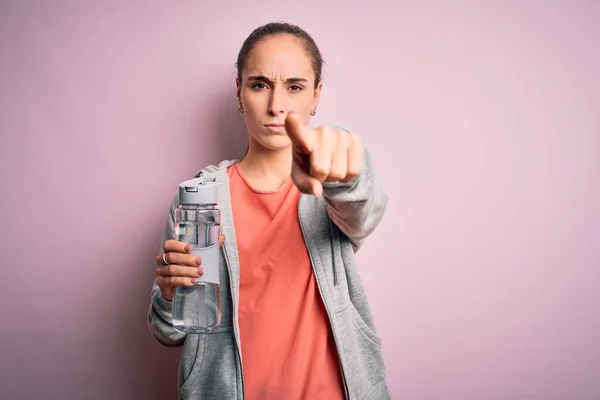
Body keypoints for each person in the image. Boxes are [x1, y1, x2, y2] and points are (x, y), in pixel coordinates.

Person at [148, 22, 391, 400]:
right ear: (239, 93)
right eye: (260, 84)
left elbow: (364, 209)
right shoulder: (200, 197)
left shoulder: (329, 182)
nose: (277, 105)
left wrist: (341, 169)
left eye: (295, 87)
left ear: (316, 96)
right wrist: (170, 294)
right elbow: (173, 332)